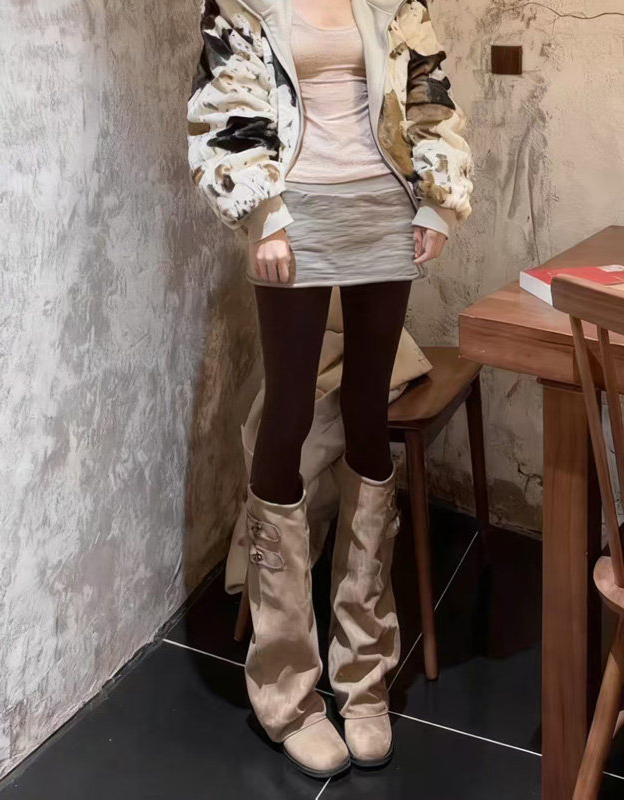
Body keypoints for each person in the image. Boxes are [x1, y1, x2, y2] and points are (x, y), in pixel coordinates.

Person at [187, 0, 473, 779]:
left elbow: (428, 93)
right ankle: (285, 686)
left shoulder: (395, 3)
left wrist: (437, 201)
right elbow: (224, 100)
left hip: (383, 212)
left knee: (368, 416)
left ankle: (364, 669)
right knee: (286, 414)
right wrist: (263, 215)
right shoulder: (242, 5)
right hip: (294, 216)